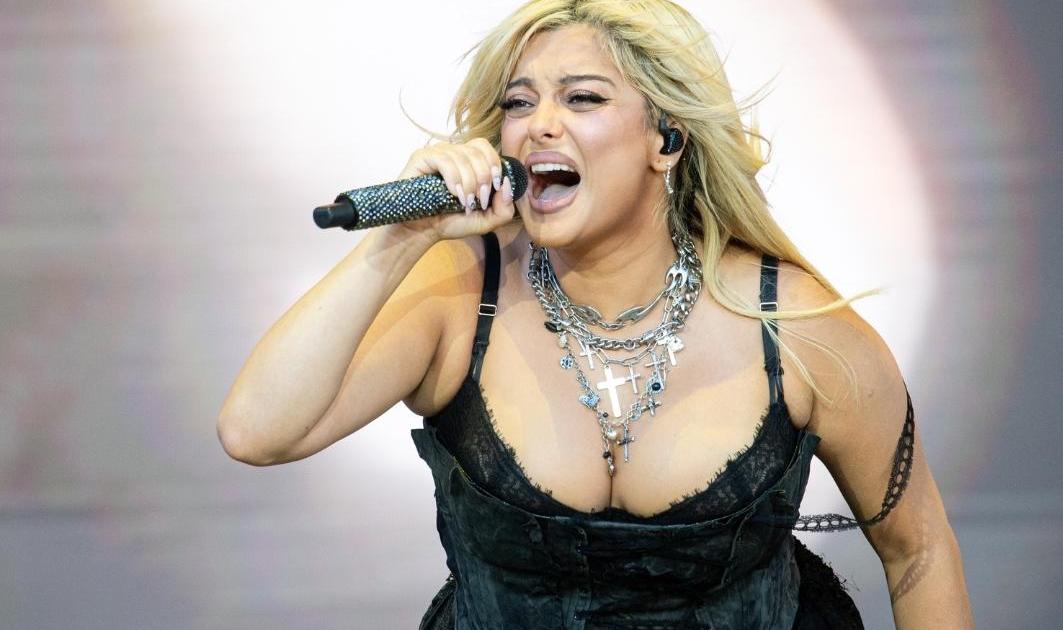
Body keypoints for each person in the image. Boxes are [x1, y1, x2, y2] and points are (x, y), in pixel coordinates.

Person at [218, 1, 973, 627]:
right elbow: (256, 431)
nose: (539, 125)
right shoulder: (457, 294)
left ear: (666, 140)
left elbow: (919, 549)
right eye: (519, 103)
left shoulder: (793, 324)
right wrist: (400, 241)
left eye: (582, 98)